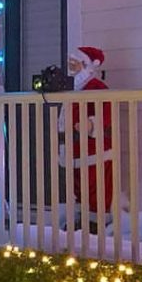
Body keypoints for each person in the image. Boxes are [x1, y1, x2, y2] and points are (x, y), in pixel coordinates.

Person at [58, 46, 114, 232]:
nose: (70, 67)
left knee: (96, 185)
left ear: (85, 64)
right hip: (75, 147)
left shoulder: (96, 87)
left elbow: (106, 112)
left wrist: (91, 124)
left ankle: (96, 221)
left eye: (74, 63)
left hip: (93, 147)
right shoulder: (73, 88)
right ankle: (81, 218)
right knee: (79, 185)